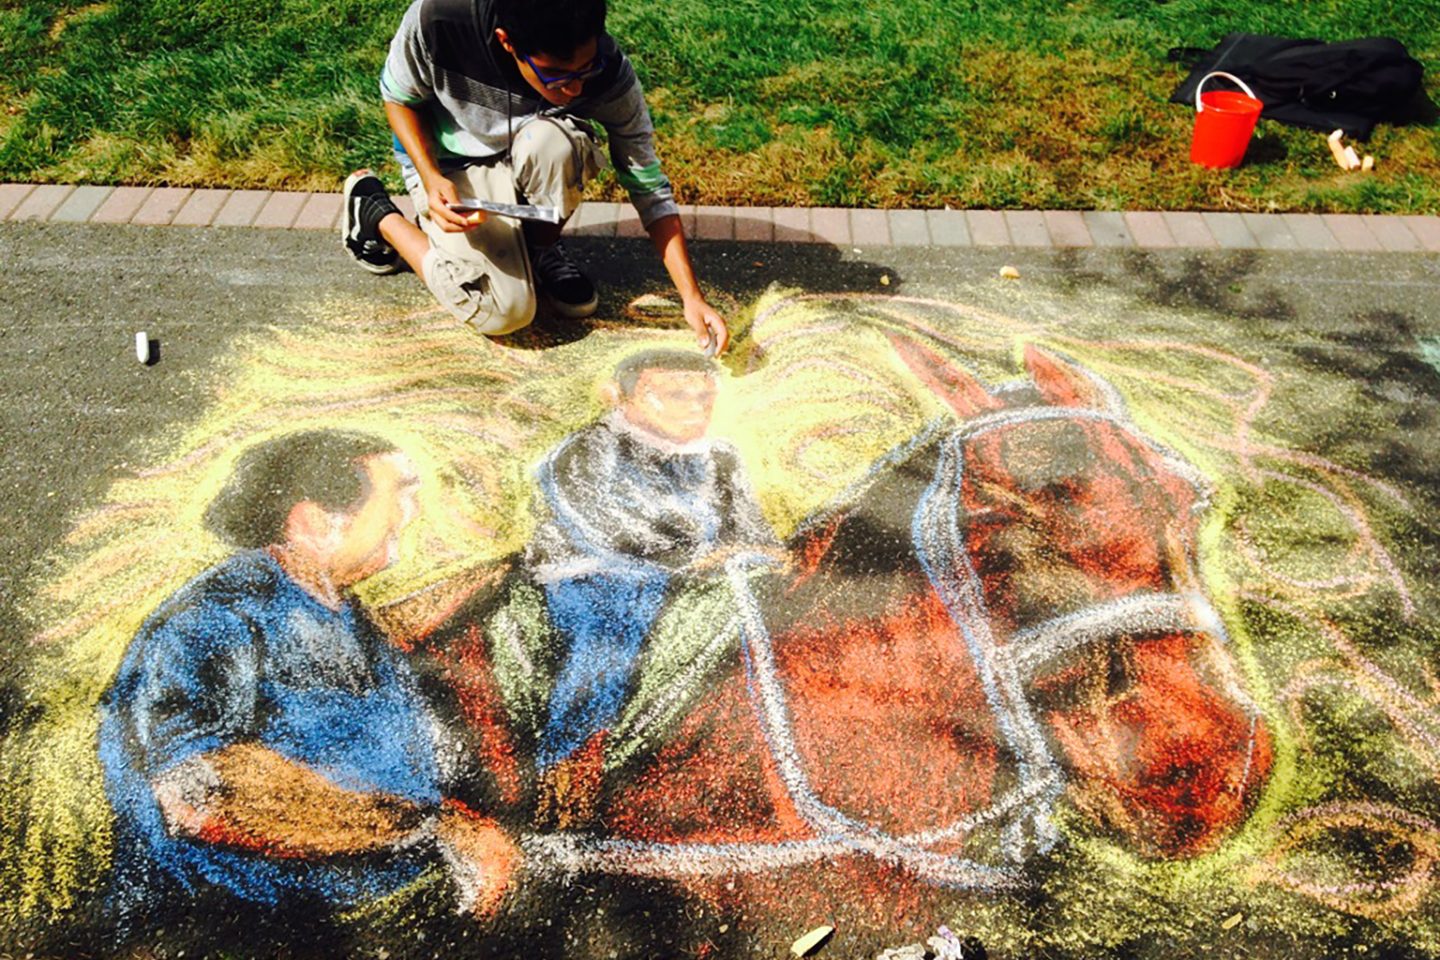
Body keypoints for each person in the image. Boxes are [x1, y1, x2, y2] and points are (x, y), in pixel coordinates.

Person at [96, 430, 518, 937]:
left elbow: (375, 635)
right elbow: (202, 796)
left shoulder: (325, 600)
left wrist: (503, 572)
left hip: (372, 902)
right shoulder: (210, 621)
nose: (413, 511)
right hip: (256, 928)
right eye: (401, 493)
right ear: (315, 521)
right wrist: (436, 829)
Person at [340, 0, 729, 355]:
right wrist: (430, 177)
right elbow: (398, 98)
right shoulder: (439, 17)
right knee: (503, 313)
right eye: (557, 76)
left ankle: (541, 249)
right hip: (448, 162)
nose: (575, 88)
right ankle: (375, 211)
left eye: (584, 69)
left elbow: (647, 184)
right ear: (507, 42)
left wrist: (690, 296)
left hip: (527, 147)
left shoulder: (606, 67)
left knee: (558, 145)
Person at [523, 349, 783, 826]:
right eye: (675, 395)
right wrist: (691, 559)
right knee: (608, 641)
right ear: (621, 397)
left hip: (701, 572)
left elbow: (747, 523)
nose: (696, 407)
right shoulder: (589, 449)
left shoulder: (720, 456)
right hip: (598, 571)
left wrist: (766, 554)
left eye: (705, 396)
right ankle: (566, 787)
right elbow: (604, 526)